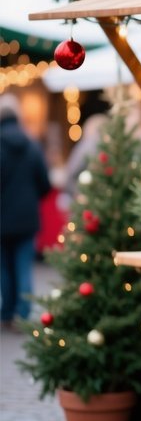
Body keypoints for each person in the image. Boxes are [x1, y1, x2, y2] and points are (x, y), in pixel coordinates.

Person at [0, 93, 51, 330]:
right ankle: (23, 313)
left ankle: (7, 312)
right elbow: (45, 182)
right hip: (27, 218)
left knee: (4, 268)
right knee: (23, 266)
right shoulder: (32, 144)